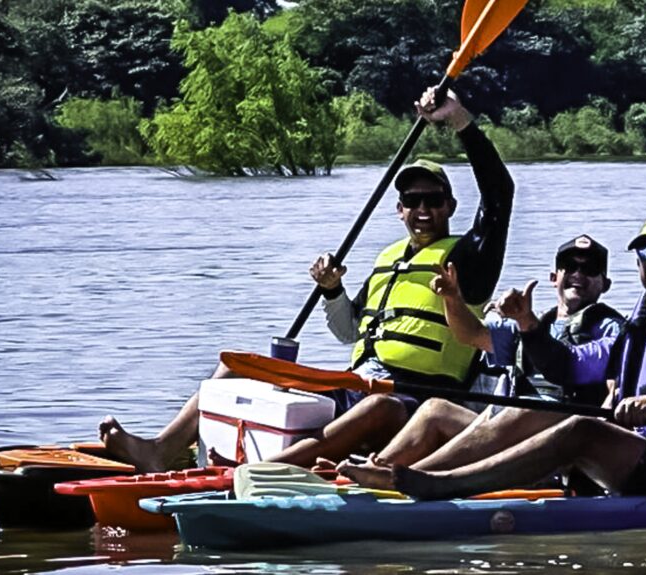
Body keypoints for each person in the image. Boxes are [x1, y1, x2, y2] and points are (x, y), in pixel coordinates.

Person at [99, 87, 514, 472]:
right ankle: (163, 449)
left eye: (434, 200)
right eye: (413, 200)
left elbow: (499, 195)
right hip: (357, 387)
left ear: (450, 206)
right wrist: (333, 291)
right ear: (399, 209)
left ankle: (262, 472)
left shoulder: (468, 259)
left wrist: (459, 120)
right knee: (236, 368)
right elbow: (349, 332)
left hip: (414, 403)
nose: (423, 209)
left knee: (381, 407)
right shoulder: (389, 260)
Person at [389, 214, 646, 500]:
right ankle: (407, 476)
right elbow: (565, 365)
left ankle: (446, 486)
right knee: (538, 410)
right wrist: (528, 326)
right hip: (638, 449)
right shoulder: (641, 325)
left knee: (580, 429)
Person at [336, 235, 624, 488]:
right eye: (570, 267)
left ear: (605, 284)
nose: (578, 274)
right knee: (436, 409)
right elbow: (471, 334)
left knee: (526, 409)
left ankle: (406, 477)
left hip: (559, 441)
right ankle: (375, 467)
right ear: (554, 277)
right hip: (511, 430)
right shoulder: (534, 321)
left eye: (590, 269)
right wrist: (452, 297)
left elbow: (600, 380)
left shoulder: (612, 328)